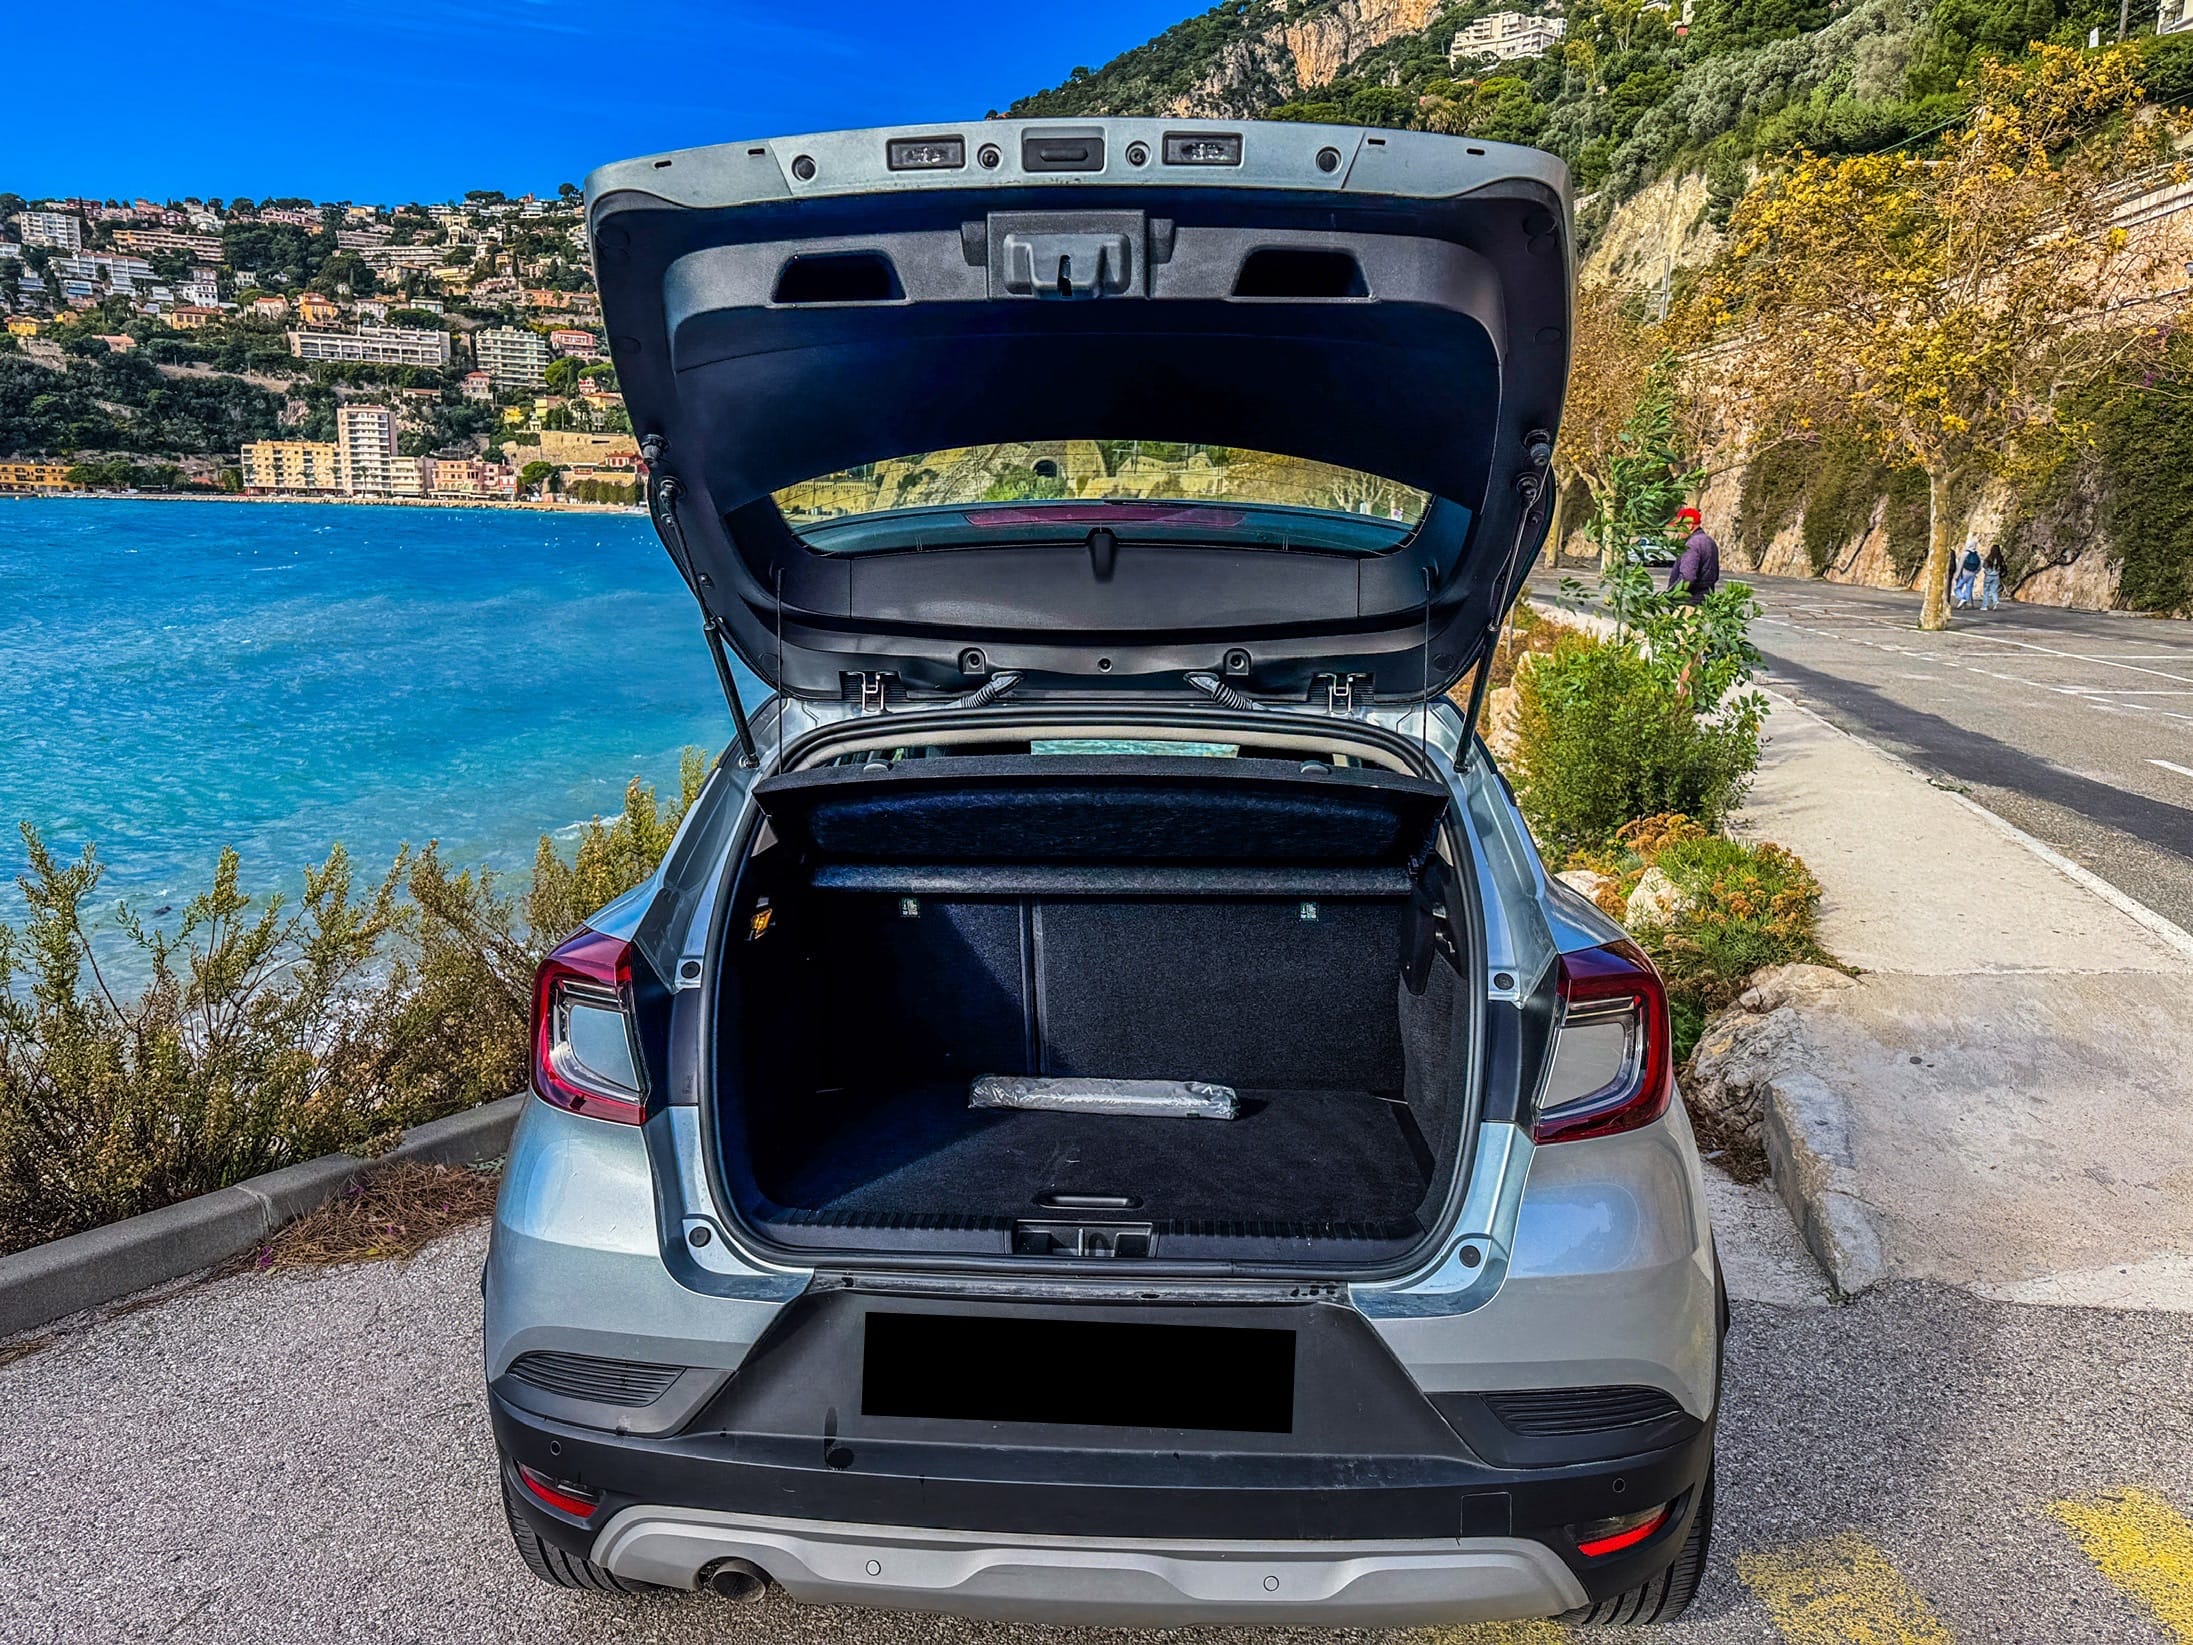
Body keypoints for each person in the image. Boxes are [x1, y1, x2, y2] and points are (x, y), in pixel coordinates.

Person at [1667, 506, 1720, 605]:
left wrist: (1671, 594)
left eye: (1679, 527)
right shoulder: (1709, 541)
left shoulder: (1691, 545)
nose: (1677, 532)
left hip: (1688, 601)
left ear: (1689, 526)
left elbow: (1687, 577)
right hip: (1705, 599)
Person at [1952, 537, 1981, 608]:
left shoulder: (1965, 554)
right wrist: (1975, 572)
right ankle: (1964, 603)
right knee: (1969, 588)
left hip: (1964, 573)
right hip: (1972, 574)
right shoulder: (1977, 555)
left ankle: (1962, 598)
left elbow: (1960, 565)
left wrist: (1956, 575)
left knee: (1957, 588)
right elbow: (1979, 565)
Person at [1982, 547, 2004, 611]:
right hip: (1996, 576)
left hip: (1988, 576)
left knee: (1986, 591)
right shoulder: (2000, 558)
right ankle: (1995, 601)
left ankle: (1985, 606)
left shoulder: (1989, 557)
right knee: (1994, 590)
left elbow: (1984, 565)